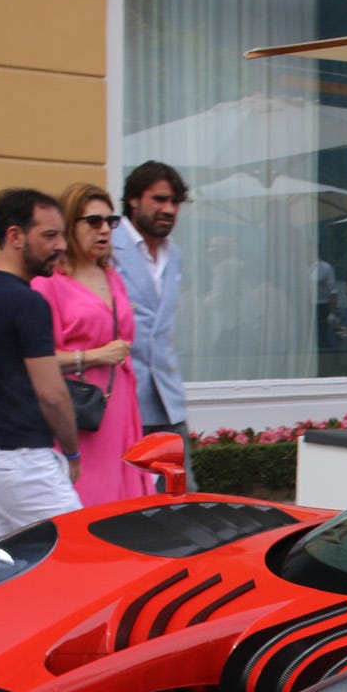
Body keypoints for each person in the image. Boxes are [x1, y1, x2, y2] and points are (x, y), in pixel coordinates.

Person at [0, 189, 82, 542]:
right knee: (76, 552)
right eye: (49, 235)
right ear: (15, 236)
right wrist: (72, 452)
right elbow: (52, 394)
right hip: (21, 460)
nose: (60, 245)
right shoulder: (27, 302)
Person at [34, 182, 149, 506]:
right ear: (70, 226)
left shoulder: (112, 275)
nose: (104, 230)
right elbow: (39, 358)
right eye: (93, 222)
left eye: (110, 222)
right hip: (79, 405)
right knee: (87, 496)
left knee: (124, 499)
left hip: (122, 399)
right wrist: (96, 356)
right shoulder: (49, 283)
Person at [112, 160, 193, 489]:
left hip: (167, 395)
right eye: (158, 199)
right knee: (130, 499)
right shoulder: (109, 245)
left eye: (174, 202)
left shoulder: (175, 255)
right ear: (134, 199)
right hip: (122, 393)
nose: (168, 209)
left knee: (179, 493)